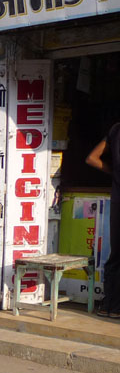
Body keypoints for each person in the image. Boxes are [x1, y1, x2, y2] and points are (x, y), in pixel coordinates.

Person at [86, 122, 120, 319]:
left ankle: (110, 306)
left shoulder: (115, 130)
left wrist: (114, 173)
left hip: (117, 200)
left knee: (116, 255)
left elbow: (92, 158)